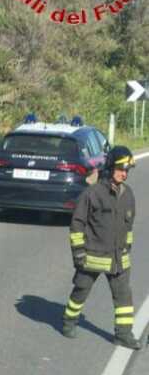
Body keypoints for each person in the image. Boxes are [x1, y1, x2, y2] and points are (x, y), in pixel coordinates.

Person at [62, 145, 141, 349]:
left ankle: (123, 334)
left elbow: (129, 225)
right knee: (81, 290)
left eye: (127, 170)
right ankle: (69, 320)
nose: (125, 174)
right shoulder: (93, 194)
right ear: (110, 168)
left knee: (124, 296)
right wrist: (78, 252)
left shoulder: (128, 194)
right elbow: (77, 224)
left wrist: (127, 247)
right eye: (121, 169)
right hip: (92, 257)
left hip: (118, 258)